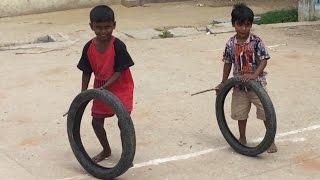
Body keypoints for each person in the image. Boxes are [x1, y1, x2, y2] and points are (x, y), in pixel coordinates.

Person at [215, 3, 277, 153]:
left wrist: (255, 75)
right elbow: (228, 62)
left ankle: (270, 141)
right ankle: (242, 138)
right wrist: (224, 82)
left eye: (247, 25)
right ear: (233, 24)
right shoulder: (230, 44)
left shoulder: (256, 41)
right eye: (240, 25)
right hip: (239, 87)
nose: (244, 29)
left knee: (265, 113)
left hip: (257, 86)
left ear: (251, 25)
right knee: (240, 114)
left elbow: (264, 60)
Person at [77, 5, 135, 162]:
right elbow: (86, 70)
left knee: (123, 122)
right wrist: (83, 94)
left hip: (121, 86)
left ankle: (126, 156)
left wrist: (104, 88)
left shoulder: (118, 45)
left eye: (107, 27)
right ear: (92, 26)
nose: (103, 32)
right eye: (99, 28)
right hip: (101, 88)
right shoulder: (89, 47)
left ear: (114, 25)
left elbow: (119, 71)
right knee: (96, 122)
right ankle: (106, 150)